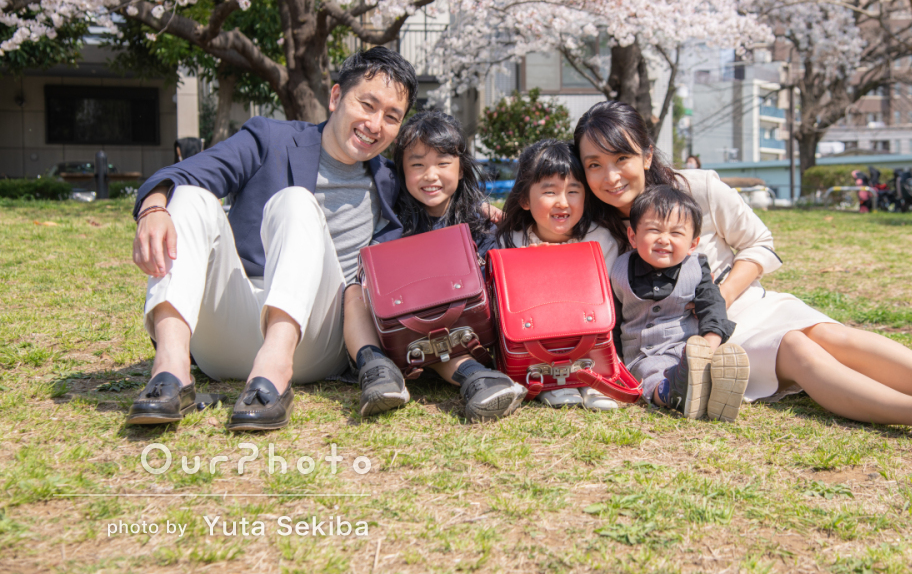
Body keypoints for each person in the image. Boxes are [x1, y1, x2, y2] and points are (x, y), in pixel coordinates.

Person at [575, 100, 912, 448]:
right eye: (593, 164)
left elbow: (760, 242)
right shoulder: (598, 233)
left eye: (622, 157)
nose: (610, 176)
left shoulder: (697, 187)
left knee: (835, 335)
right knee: (798, 348)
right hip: (704, 338)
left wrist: (722, 296)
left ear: (647, 154)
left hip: (748, 302)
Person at [127, 47, 414, 431]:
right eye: (367, 104)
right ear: (335, 98)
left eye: (391, 117)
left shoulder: (392, 180)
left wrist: (486, 211)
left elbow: (440, 204)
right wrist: (153, 208)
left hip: (316, 339)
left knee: (297, 202)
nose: (375, 124)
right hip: (229, 327)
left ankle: (274, 370)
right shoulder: (270, 139)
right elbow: (187, 172)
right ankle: (171, 372)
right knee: (191, 194)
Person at [344, 110, 528, 421]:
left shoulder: (481, 225)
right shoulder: (392, 222)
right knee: (352, 291)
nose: (431, 175)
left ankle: (477, 377)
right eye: (417, 165)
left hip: (464, 336)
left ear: (460, 168)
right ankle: (376, 369)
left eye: (443, 164)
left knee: (438, 325)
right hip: (402, 338)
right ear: (402, 172)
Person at [495, 139, 620, 411]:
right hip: (536, 342)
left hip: (589, 338)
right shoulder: (512, 239)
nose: (563, 202)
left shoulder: (601, 240)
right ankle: (553, 380)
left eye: (574, 191)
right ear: (525, 199)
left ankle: (591, 379)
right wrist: (533, 264)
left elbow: (604, 302)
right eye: (550, 192)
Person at [611, 185, 749, 422]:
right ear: (633, 236)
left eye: (676, 233)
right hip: (644, 353)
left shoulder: (697, 269)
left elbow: (712, 305)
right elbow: (612, 319)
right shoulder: (618, 270)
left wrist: (709, 345)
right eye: (654, 230)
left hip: (690, 348)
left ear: (692, 245)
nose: (664, 239)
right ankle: (673, 392)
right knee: (651, 375)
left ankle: (712, 386)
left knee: (705, 362)